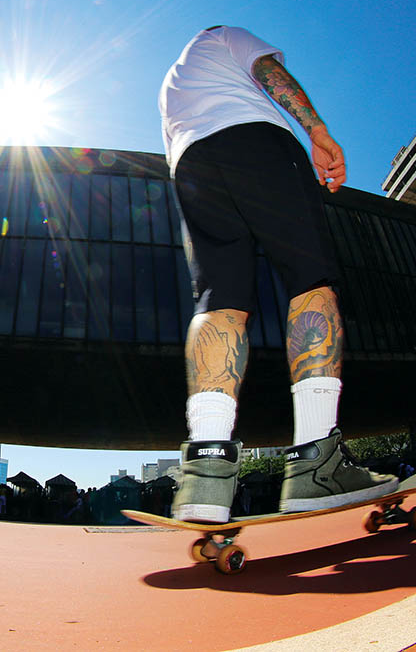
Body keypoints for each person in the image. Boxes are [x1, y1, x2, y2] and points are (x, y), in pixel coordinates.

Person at [159, 26, 398, 523]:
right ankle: (317, 460)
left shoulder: (171, 87)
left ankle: (206, 465)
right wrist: (316, 131)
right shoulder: (223, 36)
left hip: (190, 164)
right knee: (310, 280)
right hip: (255, 139)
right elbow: (270, 73)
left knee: (218, 301)